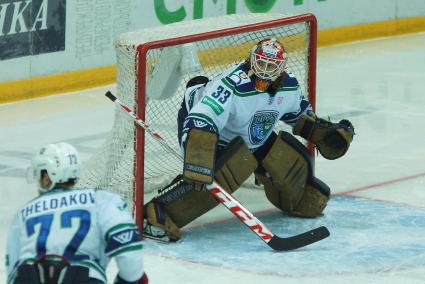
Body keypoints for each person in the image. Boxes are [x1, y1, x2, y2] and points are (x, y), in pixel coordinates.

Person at [143, 38, 355, 242]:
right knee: (217, 174)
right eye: (261, 62)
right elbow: (202, 118)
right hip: (212, 132)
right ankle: (158, 210)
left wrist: (321, 131)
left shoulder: (289, 86)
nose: (264, 69)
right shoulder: (231, 85)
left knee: (285, 157)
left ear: (281, 68)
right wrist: (199, 153)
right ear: (251, 60)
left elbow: (300, 117)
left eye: (271, 66)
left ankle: (295, 198)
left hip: (251, 134)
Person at [6, 143, 148, 284]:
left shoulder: (23, 213)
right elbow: (128, 248)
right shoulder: (100, 200)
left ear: (48, 176)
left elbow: (13, 270)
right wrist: (130, 280)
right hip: (83, 277)